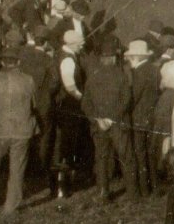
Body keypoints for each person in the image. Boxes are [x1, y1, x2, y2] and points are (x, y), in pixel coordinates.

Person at [0, 47, 35, 215]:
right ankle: (11, 206)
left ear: (2, 62)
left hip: (0, 130)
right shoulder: (28, 80)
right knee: (16, 167)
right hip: (22, 130)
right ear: (18, 62)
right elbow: (34, 104)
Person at [81, 38, 139, 201]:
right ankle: (133, 194)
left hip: (99, 126)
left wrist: (98, 120)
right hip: (118, 124)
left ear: (101, 58)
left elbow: (86, 103)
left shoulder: (92, 77)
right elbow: (127, 100)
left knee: (101, 159)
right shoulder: (121, 76)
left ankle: (103, 192)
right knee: (126, 158)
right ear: (114, 57)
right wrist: (111, 119)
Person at [19, 25, 56, 178]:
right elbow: (55, 82)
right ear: (46, 43)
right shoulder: (48, 60)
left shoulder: (24, 55)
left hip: (24, 100)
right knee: (44, 135)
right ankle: (39, 169)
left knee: (26, 133)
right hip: (43, 102)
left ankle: (25, 167)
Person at [53, 29, 88, 192]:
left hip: (64, 104)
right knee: (68, 143)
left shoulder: (63, 54)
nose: (82, 46)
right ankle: (64, 185)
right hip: (69, 105)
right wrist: (83, 98)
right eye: (80, 44)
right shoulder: (68, 60)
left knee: (66, 143)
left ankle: (63, 183)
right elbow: (69, 86)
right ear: (73, 44)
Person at [127, 39, 160, 196]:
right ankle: (154, 185)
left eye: (131, 57)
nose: (129, 60)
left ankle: (144, 188)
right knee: (150, 152)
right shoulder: (154, 69)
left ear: (137, 57)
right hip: (151, 115)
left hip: (139, 117)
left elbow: (134, 96)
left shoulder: (139, 73)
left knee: (139, 153)